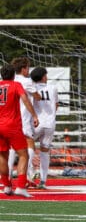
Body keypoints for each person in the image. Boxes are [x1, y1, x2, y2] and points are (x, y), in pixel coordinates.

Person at [0, 64, 39, 197]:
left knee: (2, 155)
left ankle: (6, 186)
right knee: (24, 154)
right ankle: (21, 186)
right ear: (13, 75)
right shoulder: (16, 85)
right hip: (12, 125)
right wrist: (34, 115)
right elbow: (25, 99)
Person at [8, 57, 41, 185]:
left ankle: (8, 174)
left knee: (11, 146)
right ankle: (26, 173)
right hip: (23, 117)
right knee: (30, 143)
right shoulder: (27, 81)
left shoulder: (11, 80)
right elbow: (37, 97)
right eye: (28, 67)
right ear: (23, 69)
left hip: (10, 117)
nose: (29, 70)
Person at [30, 67, 59, 189]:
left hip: (35, 122)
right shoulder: (53, 88)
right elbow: (56, 105)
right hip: (49, 123)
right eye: (46, 75)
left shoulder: (31, 88)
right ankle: (43, 181)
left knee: (27, 147)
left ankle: (29, 175)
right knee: (45, 151)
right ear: (42, 77)